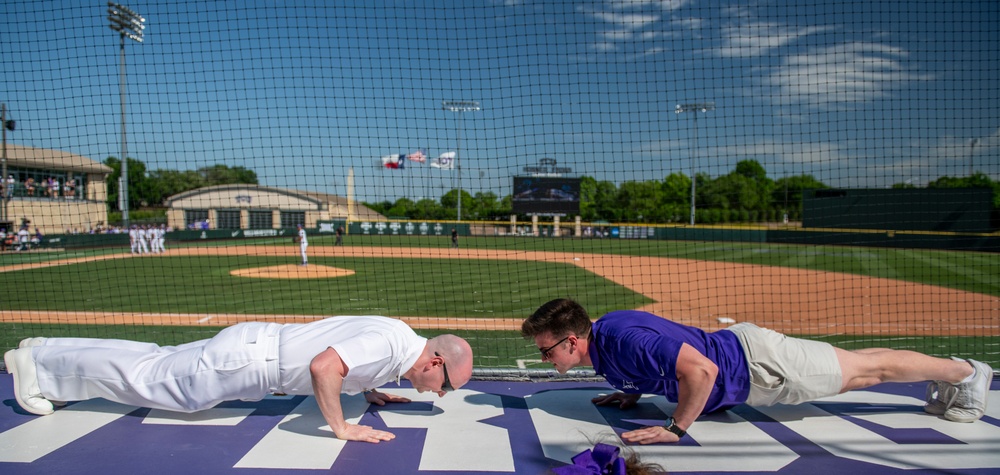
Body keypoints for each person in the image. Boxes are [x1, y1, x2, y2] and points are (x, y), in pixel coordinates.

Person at [522, 298, 993, 445]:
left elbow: (701, 371)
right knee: (858, 365)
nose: (548, 360)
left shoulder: (622, 340)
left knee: (866, 373)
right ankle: (953, 374)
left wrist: (676, 428)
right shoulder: (605, 344)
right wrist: (631, 393)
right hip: (752, 362)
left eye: (548, 352)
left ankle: (967, 374)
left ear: (572, 340)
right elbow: (654, 364)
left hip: (760, 367)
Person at [5, 316, 473, 444]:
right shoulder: (393, 346)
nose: (444, 393)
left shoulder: (397, 345)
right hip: (248, 363)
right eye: (448, 385)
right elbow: (323, 367)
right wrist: (342, 427)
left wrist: (368, 391)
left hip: (250, 352)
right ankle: (38, 368)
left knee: (154, 361)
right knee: (154, 383)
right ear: (434, 363)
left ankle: (47, 352)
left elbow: (348, 363)